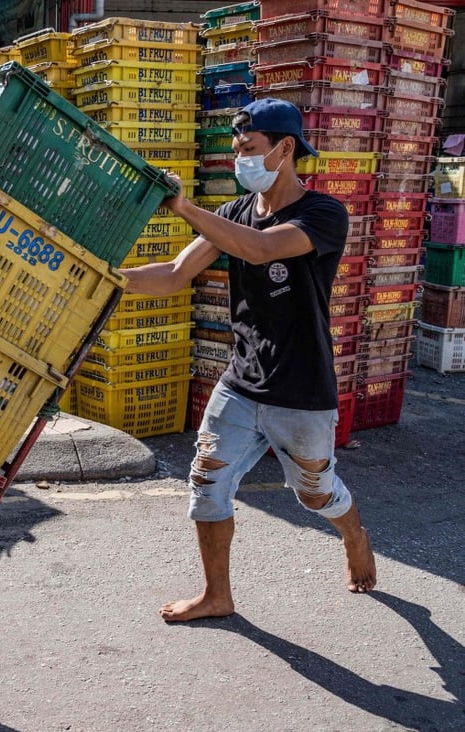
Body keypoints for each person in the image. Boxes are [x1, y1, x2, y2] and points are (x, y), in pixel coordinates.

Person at [117, 97, 377, 622]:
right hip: (241, 381)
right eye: (237, 149)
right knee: (206, 483)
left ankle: (354, 535)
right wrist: (102, 279)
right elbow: (173, 274)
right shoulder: (234, 214)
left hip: (301, 387)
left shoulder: (323, 213)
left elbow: (259, 249)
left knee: (315, 493)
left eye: (251, 148)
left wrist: (187, 208)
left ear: (285, 148)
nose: (241, 160)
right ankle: (217, 595)